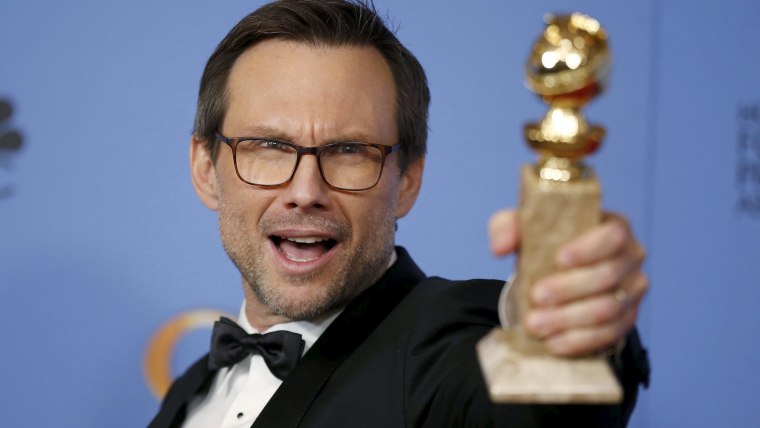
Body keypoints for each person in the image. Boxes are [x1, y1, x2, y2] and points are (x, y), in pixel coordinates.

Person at [149, 1, 650, 427]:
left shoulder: (442, 348)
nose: (305, 191)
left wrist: (568, 328)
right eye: (269, 147)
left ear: (407, 179)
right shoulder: (190, 392)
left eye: (349, 151)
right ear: (205, 169)